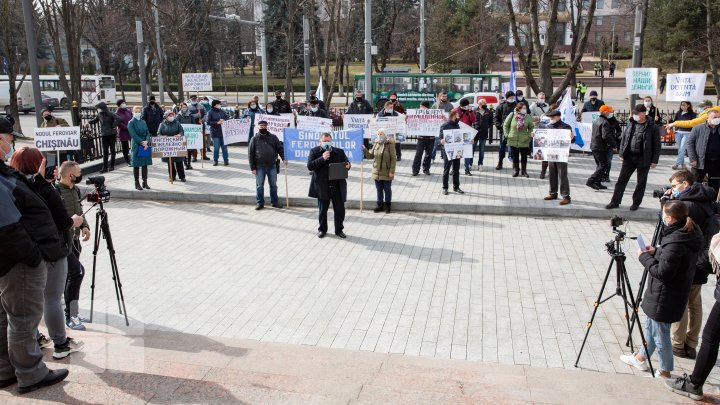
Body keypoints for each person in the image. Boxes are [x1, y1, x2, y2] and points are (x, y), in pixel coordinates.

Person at [0, 118, 70, 394]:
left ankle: (6, 370)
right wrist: (33, 255)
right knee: (23, 320)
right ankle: (31, 373)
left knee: (9, 317)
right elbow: (6, 225)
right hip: (19, 261)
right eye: (7, 138)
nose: (10, 144)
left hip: (16, 259)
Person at [9, 147, 85, 362]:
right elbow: (63, 220)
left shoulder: (11, 184)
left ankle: (36, 338)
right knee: (51, 298)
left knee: (29, 301)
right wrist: (75, 221)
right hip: (51, 249)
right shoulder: (43, 188)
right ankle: (61, 343)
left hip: (25, 250)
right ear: (37, 164)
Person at [621, 200, 702, 381]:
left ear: (670, 218)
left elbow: (663, 272)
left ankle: (665, 371)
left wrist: (644, 258)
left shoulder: (676, 241)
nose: (662, 218)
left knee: (660, 333)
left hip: (665, 294)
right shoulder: (689, 233)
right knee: (651, 326)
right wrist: (656, 251)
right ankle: (641, 358)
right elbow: (673, 258)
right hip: (669, 292)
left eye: (664, 215)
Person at [664, 170, 716, 360]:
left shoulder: (686, 205)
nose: (673, 189)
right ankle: (691, 344)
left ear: (685, 184)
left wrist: (666, 206)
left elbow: (672, 231)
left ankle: (677, 344)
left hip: (689, 259)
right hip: (704, 257)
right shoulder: (707, 198)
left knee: (682, 301)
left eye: (675, 185)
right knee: (695, 302)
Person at [606, 104, 662, 211]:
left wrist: (654, 160)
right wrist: (621, 153)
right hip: (629, 157)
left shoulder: (652, 126)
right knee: (621, 180)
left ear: (643, 113)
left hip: (644, 158)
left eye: (637, 113)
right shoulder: (631, 123)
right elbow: (624, 139)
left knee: (641, 182)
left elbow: (657, 145)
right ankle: (615, 201)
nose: (635, 115)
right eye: (634, 113)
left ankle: (636, 202)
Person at [56, 161, 91, 331]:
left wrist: (85, 226)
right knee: (77, 272)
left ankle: (71, 311)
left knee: (69, 276)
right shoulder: (55, 192)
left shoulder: (75, 190)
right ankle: (71, 316)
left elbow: (80, 210)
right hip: (63, 243)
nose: (80, 175)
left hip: (75, 242)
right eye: (78, 173)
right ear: (70, 175)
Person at [307, 133, 351, 239]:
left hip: (337, 186)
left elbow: (346, 163)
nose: (326, 142)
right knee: (323, 210)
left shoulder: (339, 151)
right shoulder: (314, 151)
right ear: (320, 142)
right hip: (322, 186)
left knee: (340, 210)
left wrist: (348, 165)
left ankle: (339, 230)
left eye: (328, 140)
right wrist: (322, 158)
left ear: (331, 141)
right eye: (324, 141)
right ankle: (322, 230)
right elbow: (310, 166)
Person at [248, 120, 285, 210]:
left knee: (273, 185)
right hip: (259, 166)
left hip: (272, 165)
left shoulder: (273, 137)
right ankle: (260, 203)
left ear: (267, 127)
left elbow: (280, 148)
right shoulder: (254, 139)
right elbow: (250, 154)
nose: (263, 127)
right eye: (261, 126)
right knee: (259, 186)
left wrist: (284, 158)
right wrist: (252, 168)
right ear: (258, 127)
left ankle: (274, 202)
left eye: (264, 126)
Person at [541, 110, 574, 205]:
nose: (551, 119)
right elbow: (543, 137)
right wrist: (536, 136)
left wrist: (572, 138)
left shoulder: (565, 127)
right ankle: (553, 193)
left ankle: (566, 196)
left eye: (553, 117)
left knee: (562, 175)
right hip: (551, 153)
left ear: (558, 116)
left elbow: (572, 139)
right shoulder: (549, 126)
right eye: (550, 117)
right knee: (552, 174)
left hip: (562, 155)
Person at [686, 109, 720, 195]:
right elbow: (690, 143)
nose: (717, 119)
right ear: (707, 118)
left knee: (714, 187)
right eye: (714, 117)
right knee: (694, 185)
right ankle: (693, 203)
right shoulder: (698, 128)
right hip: (700, 162)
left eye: (718, 117)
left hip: (716, 163)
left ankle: (712, 205)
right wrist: (692, 158)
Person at [363, 129, 397, 213]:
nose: (379, 135)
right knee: (379, 189)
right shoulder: (376, 143)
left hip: (387, 171)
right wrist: (364, 149)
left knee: (387, 189)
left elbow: (393, 159)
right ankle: (380, 205)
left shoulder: (390, 145)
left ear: (385, 135)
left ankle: (388, 205)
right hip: (377, 171)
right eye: (378, 134)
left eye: (381, 134)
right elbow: (371, 156)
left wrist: (392, 171)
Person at [587, 105, 618, 190]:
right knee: (603, 165)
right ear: (606, 112)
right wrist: (614, 145)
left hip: (595, 145)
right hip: (600, 147)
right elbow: (606, 136)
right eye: (610, 111)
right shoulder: (605, 122)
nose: (612, 113)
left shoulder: (597, 120)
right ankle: (591, 180)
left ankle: (597, 182)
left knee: (600, 165)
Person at [85, 102, 120, 173]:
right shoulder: (99, 114)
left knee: (112, 151)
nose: (98, 110)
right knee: (105, 152)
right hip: (104, 135)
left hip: (111, 134)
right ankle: (104, 167)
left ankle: (112, 165)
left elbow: (118, 118)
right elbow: (95, 120)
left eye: (99, 108)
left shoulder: (110, 113)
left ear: (102, 108)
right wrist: (88, 122)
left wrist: (113, 125)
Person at [503, 103, 534, 178]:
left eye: (525, 108)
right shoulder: (512, 115)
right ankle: (516, 170)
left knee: (524, 156)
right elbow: (505, 125)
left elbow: (531, 128)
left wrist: (528, 136)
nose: (524, 109)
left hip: (524, 140)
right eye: (523, 108)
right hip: (513, 139)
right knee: (515, 156)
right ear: (518, 108)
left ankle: (524, 171)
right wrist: (507, 135)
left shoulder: (528, 116)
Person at [438, 110, 463, 195]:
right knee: (447, 169)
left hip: (457, 150)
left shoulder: (457, 125)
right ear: (453, 116)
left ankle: (456, 187)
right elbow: (440, 137)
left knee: (456, 169)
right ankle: (445, 188)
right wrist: (441, 140)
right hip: (448, 150)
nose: (458, 117)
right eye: (457, 116)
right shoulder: (445, 125)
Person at [128, 106, 153, 190]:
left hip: (145, 145)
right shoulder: (131, 122)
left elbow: (147, 133)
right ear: (133, 112)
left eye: (139, 111)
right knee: (136, 165)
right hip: (137, 145)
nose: (138, 113)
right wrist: (142, 142)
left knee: (145, 164)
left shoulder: (143, 122)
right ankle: (137, 183)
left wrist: (147, 141)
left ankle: (145, 182)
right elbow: (133, 135)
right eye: (136, 111)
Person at [158, 111, 186, 182]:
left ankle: (182, 177)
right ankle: (172, 176)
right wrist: (162, 137)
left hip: (177, 145)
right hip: (167, 146)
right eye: (169, 116)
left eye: (172, 115)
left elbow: (181, 131)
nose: (171, 117)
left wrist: (180, 135)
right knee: (170, 162)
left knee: (179, 161)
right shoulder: (162, 124)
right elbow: (158, 134)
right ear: (166, 117)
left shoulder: (177, 123)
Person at [494, 91, 517, 170]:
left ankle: (515, 164)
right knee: (502, 147)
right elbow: (496, 118)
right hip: (504, 130)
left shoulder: (517, 106)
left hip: (514, 130)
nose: (512, 98)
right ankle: (500, 162)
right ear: (507, 98)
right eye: (511, 97)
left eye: (513, 97)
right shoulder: (501, 106)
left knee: (514, 147)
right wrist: (499, 126)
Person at [453, 99, 477, 176]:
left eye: (468, 105)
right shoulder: (456, 110)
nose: (467, 106)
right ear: (461, 106)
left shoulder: (469, 111)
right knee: (457, 153)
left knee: (467, 153)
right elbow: (452, 119)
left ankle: (467, 169)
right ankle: (454, 169)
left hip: (467, 134)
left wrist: (470, 112)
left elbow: (474, 120)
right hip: (457, 134)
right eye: (465, 106)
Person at [671, 101, 697, 170]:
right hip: (678, 132)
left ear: (688, 105)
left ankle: (677, 163)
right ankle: (682, 164)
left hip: (687, 133)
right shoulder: (678, 113)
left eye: (684, 105)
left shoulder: (693, 114)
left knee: (682, 148)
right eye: (681, 105)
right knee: (680, 149)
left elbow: (693, 124)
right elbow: (674, 122)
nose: (682, 106)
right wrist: (670, 121)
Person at [412, 101, 435, 176]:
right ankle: (415, 170)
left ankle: (426, 169)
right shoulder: (418, 114)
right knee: (418, 154)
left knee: (428, 154)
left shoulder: (433, 114)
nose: (420, 108)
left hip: (431, 138)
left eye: (421, 106)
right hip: (421, 138)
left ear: (426, 108)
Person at [207, 99, 229, 166]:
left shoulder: (222, 111)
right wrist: (217, 122)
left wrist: (224, 120)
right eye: (218, 104)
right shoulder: (210, 112)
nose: (219, 105)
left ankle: (226, 160)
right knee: (216, 148)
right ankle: (215, 160)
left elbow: (227, 118)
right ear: (215, 105)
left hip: (223, 132)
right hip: (215, 132)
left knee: (224, 148)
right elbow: (208, 122)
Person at [473, 99, 493, 172]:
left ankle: (480, 164)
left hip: (484, 133)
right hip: (475, 133)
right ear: (479, 104)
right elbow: (472, 120)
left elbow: (491, 122)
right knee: (472, 149)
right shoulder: (475, 110)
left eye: (484, 103)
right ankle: (470, 163)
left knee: (482, 150)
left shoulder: (489, 112)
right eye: (481, 103)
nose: (482, 105)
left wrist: (486, 126)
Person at [187, 95, 209, 160]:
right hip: (193, 127)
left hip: (201, 126)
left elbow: (206, 114)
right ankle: (194, 156)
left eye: (195, 99)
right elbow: (189, 116)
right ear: (190, 99)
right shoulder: (188, 107)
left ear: (196, 99)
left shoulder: (201, 106)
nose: (194, 100)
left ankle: (204, 155)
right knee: (194, 142)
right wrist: (197, 115)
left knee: (203, 141)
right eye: (192, 99)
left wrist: (202, 120)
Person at [604, 111, 623, 182]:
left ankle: (607, 175)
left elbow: (619, 130)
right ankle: (601, 175)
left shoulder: (614, 121)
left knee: (608, 160)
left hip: (611, 144)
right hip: (602, 144)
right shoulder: (602, 120)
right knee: (602, 161)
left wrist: (617, 135)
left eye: (611, 112)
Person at [177, 102, 196, 170]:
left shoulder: (190, 115)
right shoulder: (178, 116)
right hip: (182, 135)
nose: (184, 108)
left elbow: (194, 124)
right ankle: (185, 164)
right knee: (184, 150)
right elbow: (177, 125)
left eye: (185, 107)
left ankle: (189, 164)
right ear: (181, 108)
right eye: (183, 107)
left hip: (189, 136)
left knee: (189, 151)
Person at [114, 100, 133, 166]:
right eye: (122, 103)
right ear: (119, 105)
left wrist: (131, 127)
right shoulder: (117, 113)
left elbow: (132, 118)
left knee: (133, 145)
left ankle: (134, 158)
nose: (124, 104)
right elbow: (119, 123)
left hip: (131, 131)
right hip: (123, 132)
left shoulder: (128, 111)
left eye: (124, 103)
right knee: (125, 147)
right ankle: (128, 160)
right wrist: (127, 128)